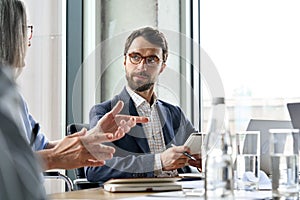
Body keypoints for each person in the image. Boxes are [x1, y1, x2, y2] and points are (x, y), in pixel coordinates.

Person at [0, 0, 148, 171]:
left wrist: (95, 135)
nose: (28, 41)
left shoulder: (14, 99)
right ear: (10, 35)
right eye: (25, 30)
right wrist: (54, 158)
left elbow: (42, 149)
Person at [86, 26, 201, 183]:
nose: (142, 67)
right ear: (125, 61)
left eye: (152, 59)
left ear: (162, 67)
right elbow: (96, 168)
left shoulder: (175, 114)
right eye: (135, 57)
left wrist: (203, 160)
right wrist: (159, 162)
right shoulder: (104, 112)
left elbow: (200, 149)